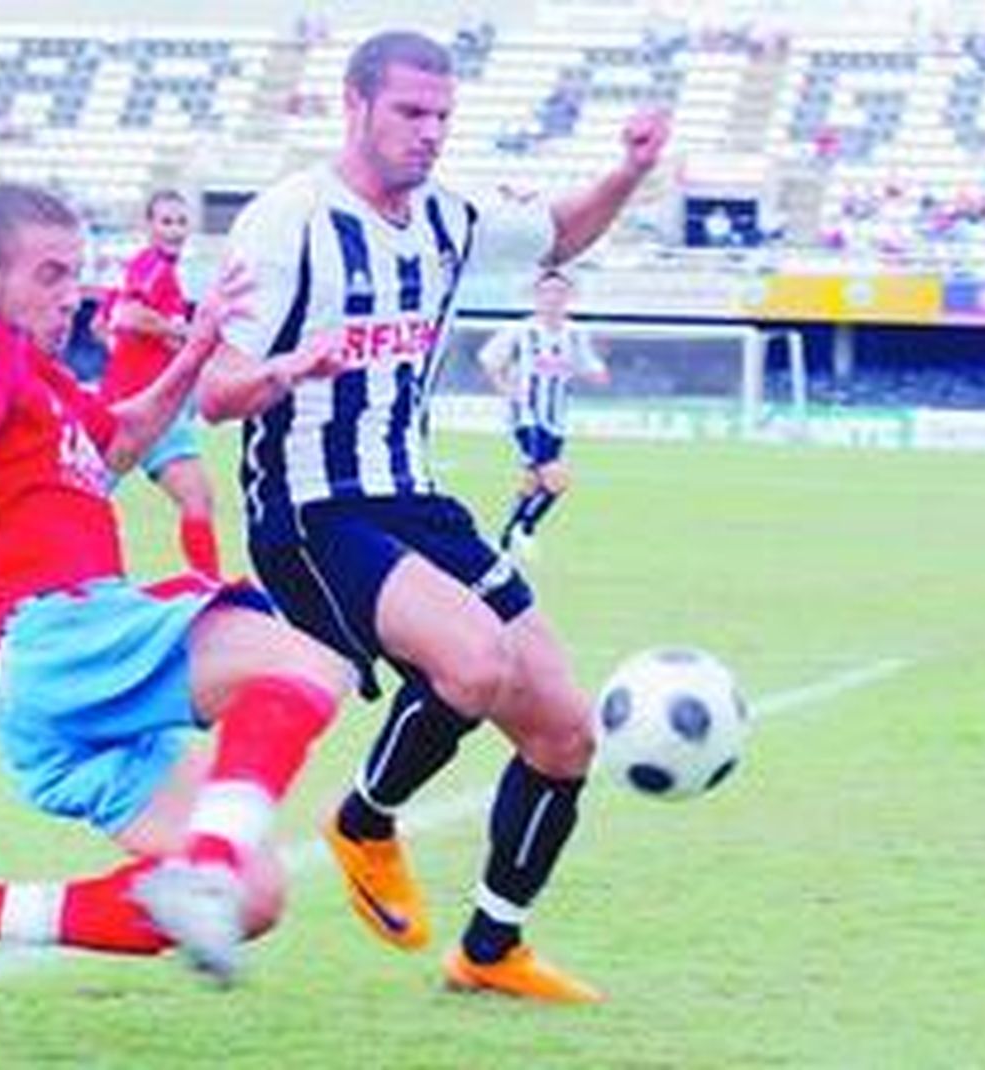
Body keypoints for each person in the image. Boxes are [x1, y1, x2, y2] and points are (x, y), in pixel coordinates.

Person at [198, 30, 668, 1003]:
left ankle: (490, 947)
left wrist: (627, 170)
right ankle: (364, 820)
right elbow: (216, 385)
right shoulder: (287, 222)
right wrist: (287, 368)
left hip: (415, 496)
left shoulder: (449, 217)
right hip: (310, 512)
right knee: (473, 660)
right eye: (411, 112)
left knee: (563, 732)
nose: (429, 133)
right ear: (354, 105)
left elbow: (559, 233)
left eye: (443, 116)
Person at [0, 181, 352, 983]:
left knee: (257, 896)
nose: (72, 296)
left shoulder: (46, 382)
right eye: (49, 275)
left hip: (52, 694)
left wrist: (203, 341)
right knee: (306, 664)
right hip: (65, 641)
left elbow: (125, 438)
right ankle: (202, 869)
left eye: (77, 275)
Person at [98, 189, 223, 578]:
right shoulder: (152, 267)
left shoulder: (149, 271)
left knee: (196, 498)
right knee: (78, 499)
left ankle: (209, 587)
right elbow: (129, 316)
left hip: (151, 412)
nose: (174, 230)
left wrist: (149, 349)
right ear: (149, 227)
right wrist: (181, 332)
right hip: (138, 412)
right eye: (166, 222)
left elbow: (103, 323)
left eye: (181, 222)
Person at [477, 268, 609, 560]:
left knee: (532, 482)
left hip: (556, 418)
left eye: (559, 292)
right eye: (546, 292)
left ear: (569, 297)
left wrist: (596, 373)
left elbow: (591, 367)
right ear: (536, 297)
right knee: (557, 479)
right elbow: (488, 359)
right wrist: (504, 387)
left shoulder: (575, 334)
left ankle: (503, 542)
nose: (553, 298)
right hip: (526, 417)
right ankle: (525, 529)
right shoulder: (521, 331)